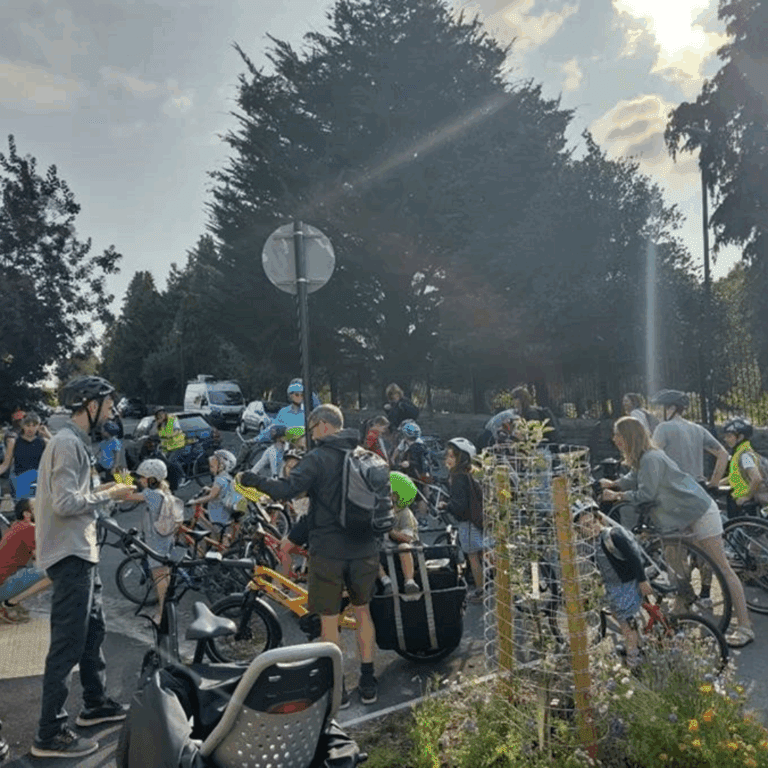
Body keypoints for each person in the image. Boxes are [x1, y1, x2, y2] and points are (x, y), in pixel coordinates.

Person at [237, 404, 380, 707]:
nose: (312, 435)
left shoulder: (317, 459)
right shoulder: (365, 456)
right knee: (363, 613)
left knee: (330, 622)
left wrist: (252, 479)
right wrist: (294, 538)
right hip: (366, 548)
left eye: (313, 428)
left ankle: (338, 687)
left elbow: (285, 489)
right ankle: (368, 682)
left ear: (325, 426)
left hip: (329, 552)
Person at [32, 375, 134, 759]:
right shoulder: (66, 444)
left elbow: (79, 501)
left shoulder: (75, 444)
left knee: (93, 633)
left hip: (82, 552)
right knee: (68, 643)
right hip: (70, 556)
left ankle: (95, 704)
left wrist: (111, 496)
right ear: (89, 405)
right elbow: (65, 503)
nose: (112, 411)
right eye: (107, 405)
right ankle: (49, 733)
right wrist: (107, 492)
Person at [600, 416, 755, 648]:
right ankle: (685, 605)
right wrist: (613, 484)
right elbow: (634, 479)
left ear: (628, 436)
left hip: (699, 511)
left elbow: (646, 494)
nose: (614, 439)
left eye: (618, 435)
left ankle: (745, 627)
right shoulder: (644, 459)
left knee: (722, 567)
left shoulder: (651, 458)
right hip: (684, 515)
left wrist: (617, 496)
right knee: (681, 556)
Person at [574, 504, 653, 667]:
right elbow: (599, 567)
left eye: (593, 522)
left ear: (600, 520)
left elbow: (634, 557)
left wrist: (642, 580)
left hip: (626, 584)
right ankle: (637, 643)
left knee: (625, 624)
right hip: (613, 586)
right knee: (619, 616)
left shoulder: (613, 535)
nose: (591, 528)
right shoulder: (592, 544)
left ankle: (634, 658)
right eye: (585, 527)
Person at [117, 459, 176, 622]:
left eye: (143, 477)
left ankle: (163, 615)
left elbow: (126, 496)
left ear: (152, 479)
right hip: (165, 539)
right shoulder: (163, 492)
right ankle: (165, 610)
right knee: (164, 577)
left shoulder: (152, 495)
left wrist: (123, 480)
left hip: (157, 543)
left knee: (160, 579)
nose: (140, 480)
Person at [439, 437, 487, 603]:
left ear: (462, 458)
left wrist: (446, 506)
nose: (447, 459)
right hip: (479, 519)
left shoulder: (458, 477)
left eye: (452, 456)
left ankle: (481, 591)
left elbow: (460, 506)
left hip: (468, 522)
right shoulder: (472, 472)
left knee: (473, 556)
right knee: (484, 553)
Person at [649, 389, 729, 487]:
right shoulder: (698, 429)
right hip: (699, 487)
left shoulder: (663, 427)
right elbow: (723, 454)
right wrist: (714, 483)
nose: (656, 413)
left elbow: (652, 458)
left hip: (675, 488)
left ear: (672, 408)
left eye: (659, 408)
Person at [0, 498, 51, 624]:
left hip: (4, 579)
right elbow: (43, 558)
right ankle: (9, 604)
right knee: (53, 571)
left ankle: (10, 602)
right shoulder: (29, 528)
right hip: (2, 585)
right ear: (27, 514)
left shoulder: (17, 526)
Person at [378, 471, 420, 597]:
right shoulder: (380, 512)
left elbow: (406, 538)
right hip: (384, 551)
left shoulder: (404, 513)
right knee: (369, 551)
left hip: (408, 552)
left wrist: (390, 530)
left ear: (395, 496)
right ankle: (386, 581)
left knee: (403, 547)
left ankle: (409, 581)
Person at [187, 449, 239, 548]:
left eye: (212, 466)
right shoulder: (227, 477)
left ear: (222, 466)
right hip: (228, 508)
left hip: (220, 512)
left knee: (215, 530)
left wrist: (195, 501)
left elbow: (212, 496)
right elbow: (219, 490)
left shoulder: (219, 480)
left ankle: (219, 548)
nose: (210, 469)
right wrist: (209, 488)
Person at [721, 417, 768, 517]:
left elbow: (757, 478)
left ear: (740, 437)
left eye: (729, 436)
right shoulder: (744, 453)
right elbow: (736, 475)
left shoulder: (745, 456)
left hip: (747, 502)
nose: (726, 439)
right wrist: (716, 483)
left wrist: (746, 497)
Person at [0, 411, 48, 499]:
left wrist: (47, 434)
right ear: (22, 426)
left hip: (38, 480)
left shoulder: (43, 442)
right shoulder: (14, 442)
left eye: (34, 425)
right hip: (20, 478)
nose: (31, 428)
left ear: (38, 426)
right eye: (28, 425)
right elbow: (5, 464)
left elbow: (60, 450)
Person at [151, 407, 186, 485]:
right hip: (167, 446)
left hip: (177, 444)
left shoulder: (172, 419)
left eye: (162, 414)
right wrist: (157, 424)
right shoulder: (159, 423)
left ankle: (183, 476)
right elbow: (153, 433)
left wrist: (170, 435)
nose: (161, 416)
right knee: (165, 463)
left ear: (165, 413)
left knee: (172, 461)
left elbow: (177, 430)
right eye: (158, 415)